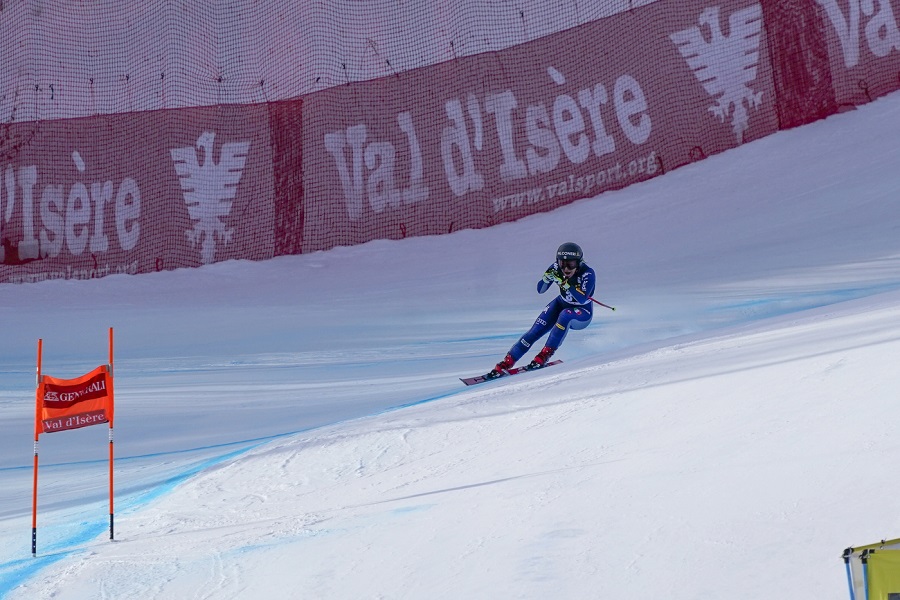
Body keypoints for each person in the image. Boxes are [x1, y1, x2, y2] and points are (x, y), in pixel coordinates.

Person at [486, 242, 596, 379]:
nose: (566, 269)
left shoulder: (588, 273)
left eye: (571, 264)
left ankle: (544, 356)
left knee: (565, 315)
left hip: (582, 312)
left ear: (579, 263)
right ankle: (507, 362)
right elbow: (541, 289)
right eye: (562, 264)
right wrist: (545, 279)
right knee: (535, 330)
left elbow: (581, 299)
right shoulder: (555, 268)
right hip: (561, 303)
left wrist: (565, 283)